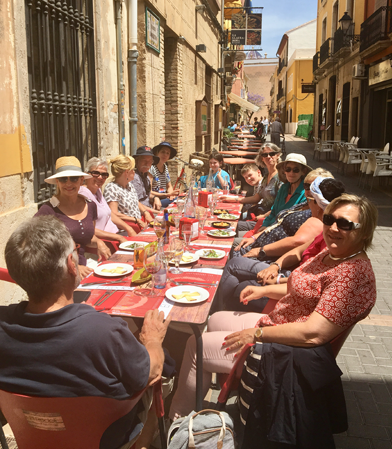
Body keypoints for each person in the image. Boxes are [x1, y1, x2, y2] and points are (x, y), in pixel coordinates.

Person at [169, 193, 378, 419]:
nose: (334, 228)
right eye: (329, 220)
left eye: (345, 224)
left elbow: (313, 334)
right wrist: (263, 290)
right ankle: (216, 387)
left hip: (287, 353)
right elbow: (302, 287)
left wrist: (257, 333)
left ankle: (177, 420)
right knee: (214, 319)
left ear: (364, 232)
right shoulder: (332, 254)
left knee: (195, 345)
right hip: (279, 323)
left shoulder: (353, 275)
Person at [1, 215, 171, 449]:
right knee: (166, 369)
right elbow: (152, 371)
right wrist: (152, 340)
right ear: (72, 265)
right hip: (107, 439)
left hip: (34, 438)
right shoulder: (103, 331)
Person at [213, 176, 346, 313]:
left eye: (309, 198)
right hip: (286, 272)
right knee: (237, 265)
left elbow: (312, 281)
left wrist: (276, 279)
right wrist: (276, 266)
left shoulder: (329, 235)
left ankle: (217, 310)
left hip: (292, 283)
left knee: (236, 265)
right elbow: (299, 250)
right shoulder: (323, 230)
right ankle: (221, 308)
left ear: (318, 204)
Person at [35, 156, 111, 279]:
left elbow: (86, 236)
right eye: (63, 179)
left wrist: (99, 242)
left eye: (74, 178)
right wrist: (71, 265)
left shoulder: (90, 205)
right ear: (57, 182)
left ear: (81, 180)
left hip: (84, 267)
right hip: (60, 274)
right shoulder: (48, 210)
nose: (69, 183)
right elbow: (38, 247)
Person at [234, 153, 312, 254]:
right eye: (288, 169)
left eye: (295, 170)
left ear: (303, 171)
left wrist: (258, 235)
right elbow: (274, 211)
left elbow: (284, 223)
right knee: (234, 232)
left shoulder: (305, 193)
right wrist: (264, 226)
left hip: (279, 237)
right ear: (284, 171)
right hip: (269, 229)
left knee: (234, 243)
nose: (291, 173)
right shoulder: (284, 188)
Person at [222, 144, 283, 235]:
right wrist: (233, 199)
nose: (268, 157)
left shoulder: (281, 178)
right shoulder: (266, 177)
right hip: (258, 214)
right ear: (262, 158)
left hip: (268, 220)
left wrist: (264, 216)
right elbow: (256, 197)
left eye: (272, 154)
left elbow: (281, 206)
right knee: (226, 220)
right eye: (265, 155)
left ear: (277, 155)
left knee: (229, 225)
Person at [79, 157, 141, 240]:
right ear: (86, 174)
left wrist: (128, 228)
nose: (100, 177)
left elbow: (109, 213)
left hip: (116, 234)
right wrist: (118, 237)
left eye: (104, 175)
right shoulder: (82, 194)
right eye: (95, 173)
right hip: (105, 241)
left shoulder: (98, 191)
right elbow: (87, 228)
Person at [104, 155, 155, 230]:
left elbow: (136, 202)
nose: (134, 172)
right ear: (126, 172)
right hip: (125, 229)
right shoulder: (111, 188)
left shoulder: (129, 185)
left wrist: (145, 212)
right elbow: (113, 213)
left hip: (138, 225)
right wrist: (135, 220)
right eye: (132, 170)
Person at [150, 142, 180, 208]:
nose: (165, 155)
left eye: (167, 153)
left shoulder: (165, 167)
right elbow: (149, 191)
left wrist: (172, 195)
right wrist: (168, 194)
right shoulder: (151, 168)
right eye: (163, 152)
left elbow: (169, 186)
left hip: (164, 198)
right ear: (157, 153)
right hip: (154, 200)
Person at [131, 146, 161, 210]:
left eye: (150, 161)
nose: (147, 164)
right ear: (137, 161)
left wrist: (155, 198)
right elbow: (136, 203)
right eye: (144, 160)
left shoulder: (146, 177)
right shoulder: (134, 178)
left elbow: (146, 196)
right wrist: (156, 212)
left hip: (149, 208)